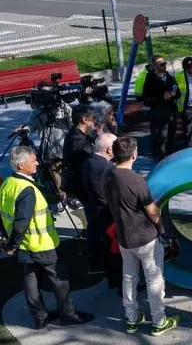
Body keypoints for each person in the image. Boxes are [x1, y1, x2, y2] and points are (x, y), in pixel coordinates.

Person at [0, 146, 93, 329]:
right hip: (41, 243)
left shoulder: (8, 184)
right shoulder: (27, 189)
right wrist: (13, 243)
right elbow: (22, 221)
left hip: (25, 244)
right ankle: (68, 313)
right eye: (33, 161)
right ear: (21, 165)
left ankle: (39, 317)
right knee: (59, 276)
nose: (37, 163)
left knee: (30, 278)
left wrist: (11, 242)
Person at [103, 137, 180, 336]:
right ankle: (159, 321)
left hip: (124, 237)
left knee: (129, 277)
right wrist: (161, 228)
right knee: (154, 279)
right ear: (134, 154)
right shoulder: (136, 180)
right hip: (145, 238)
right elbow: (152, 211)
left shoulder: (107, 175)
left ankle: (132, 318)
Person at [15, 81, 72, 204]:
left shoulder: (63, 107)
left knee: (71, 172)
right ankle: (62, 198)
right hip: (50, 149)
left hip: (66, 146)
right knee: (55, 173)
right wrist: (25, 130)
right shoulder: (38, 111)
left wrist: (62, 108)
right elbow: (31, 124)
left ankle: (74, 195)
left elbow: (72, 122)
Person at [80, 133, 117, 274]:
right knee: (103, 239)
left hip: (92, 207)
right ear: (109, 150)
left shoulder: (89, 161)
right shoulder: (104, 167)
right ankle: (103, 265)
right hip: (103, 211)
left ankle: (95, 264)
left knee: (94, 235)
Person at [144, 55, 180, 161]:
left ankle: (171, 157)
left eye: (165, 63)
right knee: (161, 137)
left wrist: (174, 94)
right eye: (162, 64)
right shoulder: (150, 80)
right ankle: (160, 159)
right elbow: (146, 100)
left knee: (171, 135)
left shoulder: (168, 76)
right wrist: (162, 97)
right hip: (158, 113)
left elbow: (177, 91)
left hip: (171, 112)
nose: (165, 65)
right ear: (155, 66)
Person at [62, 106, 95, 208]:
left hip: (78, 185)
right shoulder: (80, 141)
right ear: (85, 120)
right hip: (84, 188)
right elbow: (86, 167)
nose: (94, 123)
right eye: (93, 119)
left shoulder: (73, 135)